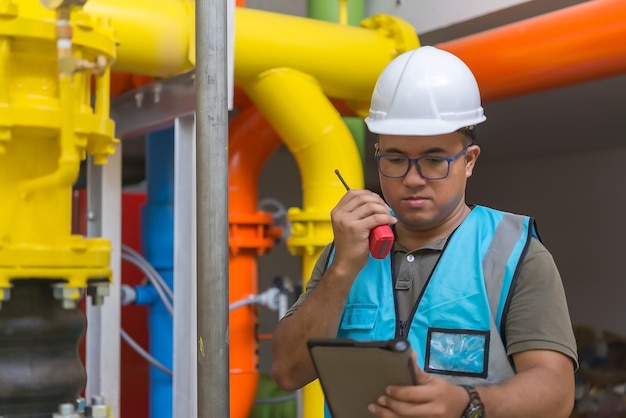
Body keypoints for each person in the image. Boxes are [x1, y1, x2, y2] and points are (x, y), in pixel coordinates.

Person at [270, 46, 578, 418]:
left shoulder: (513, 252)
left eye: (433, 160)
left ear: (469, 161)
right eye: (396, 160)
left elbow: (556, 392)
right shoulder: (346, 251)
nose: (412, 179)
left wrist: (468, 403)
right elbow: (287, 372)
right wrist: (341, 271)